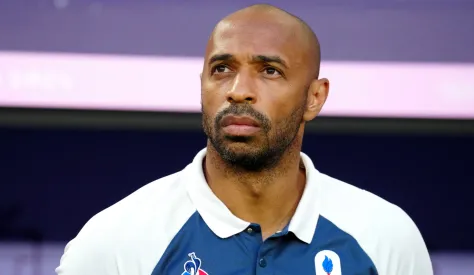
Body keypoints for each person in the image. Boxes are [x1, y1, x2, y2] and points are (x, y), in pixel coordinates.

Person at [56, 4, 433, 275]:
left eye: (270, 71)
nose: (239, 91)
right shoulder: (115, 240)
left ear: (315, 97)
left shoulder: (385, 237)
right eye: (222, 69)